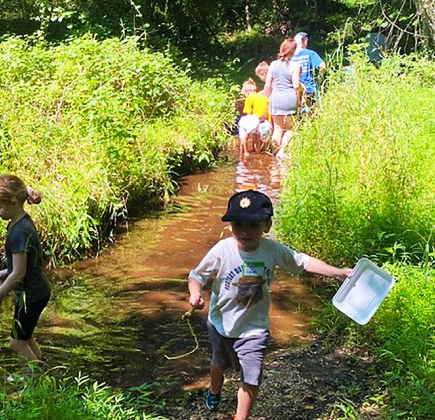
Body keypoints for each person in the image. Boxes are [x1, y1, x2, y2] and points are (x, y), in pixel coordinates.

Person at [187, 190, 351, 420]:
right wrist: (195, 293)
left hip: (254, 328)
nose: (244, 231)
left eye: (253, 225)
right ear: (230, 224)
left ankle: (240, 417)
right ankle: (215, 390)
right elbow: (197, 276)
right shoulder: (222, 250)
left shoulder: (272, 250)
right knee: (218, 362)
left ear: (267, 225)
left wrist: (339, 273)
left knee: (252, 376)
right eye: (238, 224)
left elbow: (302, 262)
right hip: (220, 323)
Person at [0, 174, 51, 362]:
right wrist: (7, 270)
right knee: (25, 337)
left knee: (17, 343)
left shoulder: (19, 232)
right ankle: (41, 369)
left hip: (30, 295)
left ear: (13, 202)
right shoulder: (20, 222)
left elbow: (19, 274)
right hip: (37, 291)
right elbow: (23, 263)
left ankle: (33, 382)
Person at [265, 38, 302, 159]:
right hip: (289, 99)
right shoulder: (295, 65)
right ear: (293, 50)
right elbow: (296, 85)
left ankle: (276, 153)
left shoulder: (273, 64)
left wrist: (269, 97)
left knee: (278, 129)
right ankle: (283, 151)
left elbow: (267, 85)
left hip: (275, 98)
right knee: (290, 128)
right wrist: (303, 89)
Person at [237, 78, 272, 157]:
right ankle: (264, 153)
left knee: (253, 135)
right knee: (265, 148)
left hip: (257, 124)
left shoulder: (249, 98)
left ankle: (248, 152)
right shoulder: (264, 98)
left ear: (247, 92)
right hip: (267, 124)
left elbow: (248, 115)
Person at [292, 32, 326, 111]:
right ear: (304, 41)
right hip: (308, 88)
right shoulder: (310, 54)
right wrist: (319, 79)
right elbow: (323, 66)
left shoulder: (290, 56)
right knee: (312, 113)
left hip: (294, 90)